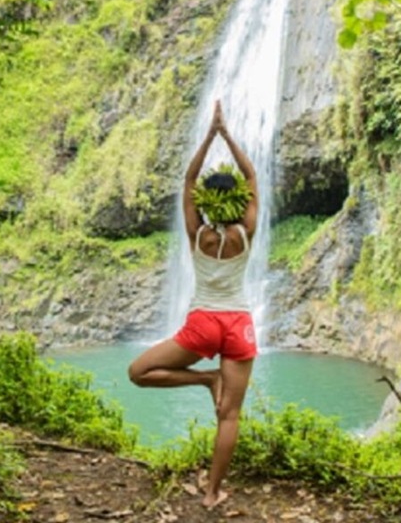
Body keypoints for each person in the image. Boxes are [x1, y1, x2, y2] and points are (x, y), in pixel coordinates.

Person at [128, 100, 259, 509]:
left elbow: (188, 180)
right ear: (237, 200)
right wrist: (229, 135)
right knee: (230, 416)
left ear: (207, 202)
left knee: (139, 372)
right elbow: (252, 174)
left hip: (203, 322)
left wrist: (209, 134)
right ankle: (212, 493)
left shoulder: (197, 232)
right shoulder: (247, 231)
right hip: (239, 323)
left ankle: (204, 379)